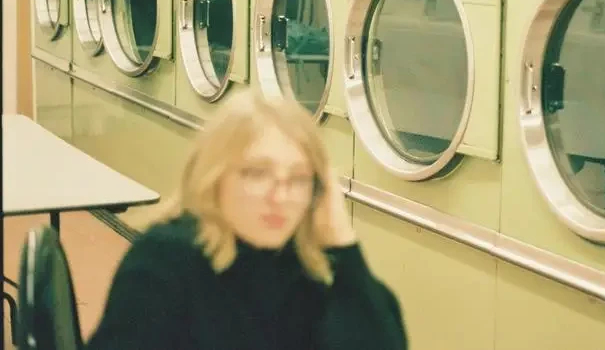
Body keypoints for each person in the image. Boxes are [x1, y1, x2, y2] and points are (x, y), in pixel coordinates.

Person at [85, 90, 407, 350]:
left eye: (298, 179)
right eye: (257, 173)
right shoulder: (165, 262)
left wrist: (342, 240)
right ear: (215, 177)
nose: (279, 197)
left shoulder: (312, 270)